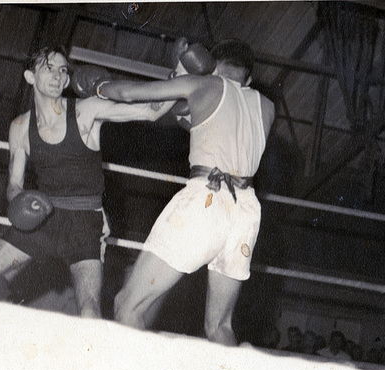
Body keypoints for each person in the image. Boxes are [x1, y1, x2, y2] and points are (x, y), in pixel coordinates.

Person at [0, 45, 174, 319]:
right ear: (30, 77)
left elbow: (151, 112)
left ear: (68, 80)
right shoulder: (20, 127)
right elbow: (14, 184)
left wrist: (180, 80)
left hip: (84, 223)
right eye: (48, 68)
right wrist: (19, 201)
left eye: (62, 70)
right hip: (42, 218)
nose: (57, 76)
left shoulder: (85, 111)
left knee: (89, 309)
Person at [100, 39, 275, 346]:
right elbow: (210, 124)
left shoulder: (204, 84)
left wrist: (99, 86)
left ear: (213, 65)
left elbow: (126, 93)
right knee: (220, 327)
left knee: (127, 305)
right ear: (249, 77)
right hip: (245, 211)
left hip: (205, 200)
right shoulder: (266, 107)